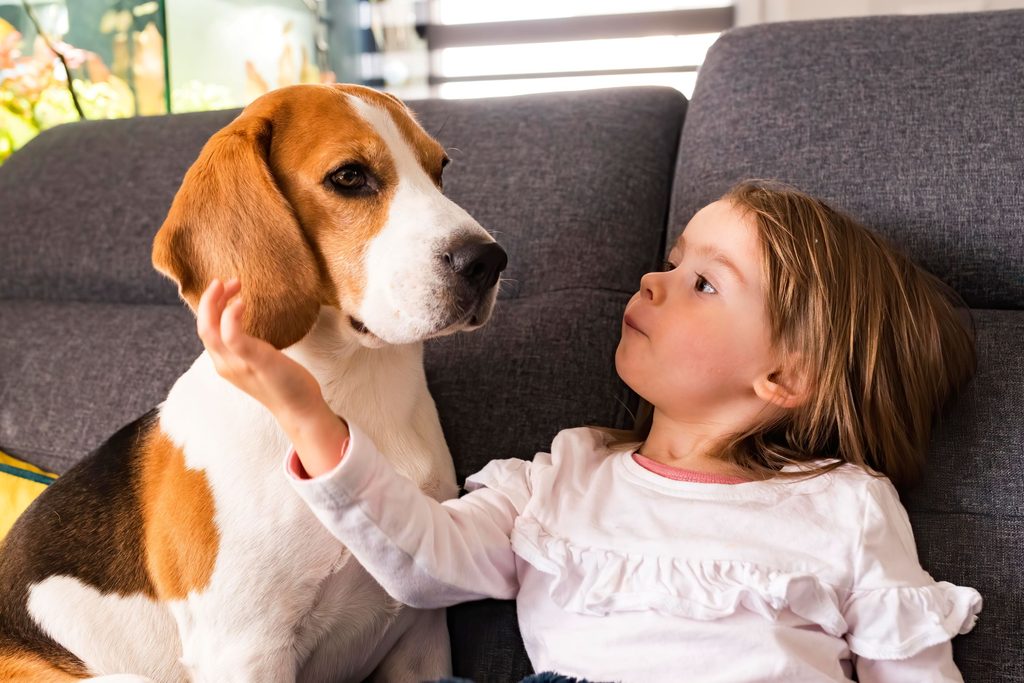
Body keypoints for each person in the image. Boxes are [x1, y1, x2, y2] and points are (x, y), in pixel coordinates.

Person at [196, 182, 982, 683]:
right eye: (672, 262)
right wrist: (306, 415)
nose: (653, 280)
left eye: (703, 282)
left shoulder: (846, 507)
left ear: (785, 377)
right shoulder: (564, 474)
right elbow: (420, 560)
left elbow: (913, 670)